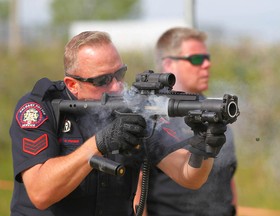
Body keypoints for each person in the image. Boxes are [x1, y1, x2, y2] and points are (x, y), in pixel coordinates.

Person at [9, 30, 227, 216]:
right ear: (72, 84)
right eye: (102, 80)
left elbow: (189, 177)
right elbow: (40, 193)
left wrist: (204, 147)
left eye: (119, 74)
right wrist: (99, 144)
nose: (115, 87)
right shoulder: (41, 108)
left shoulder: (132, 107)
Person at [140, 27, 238, 216]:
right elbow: (136, 190)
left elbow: (228, 177)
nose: (206, 64)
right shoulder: (152, 118)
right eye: (196, 59)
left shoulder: (216, 112)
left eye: (207, 58)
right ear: (168, 64)